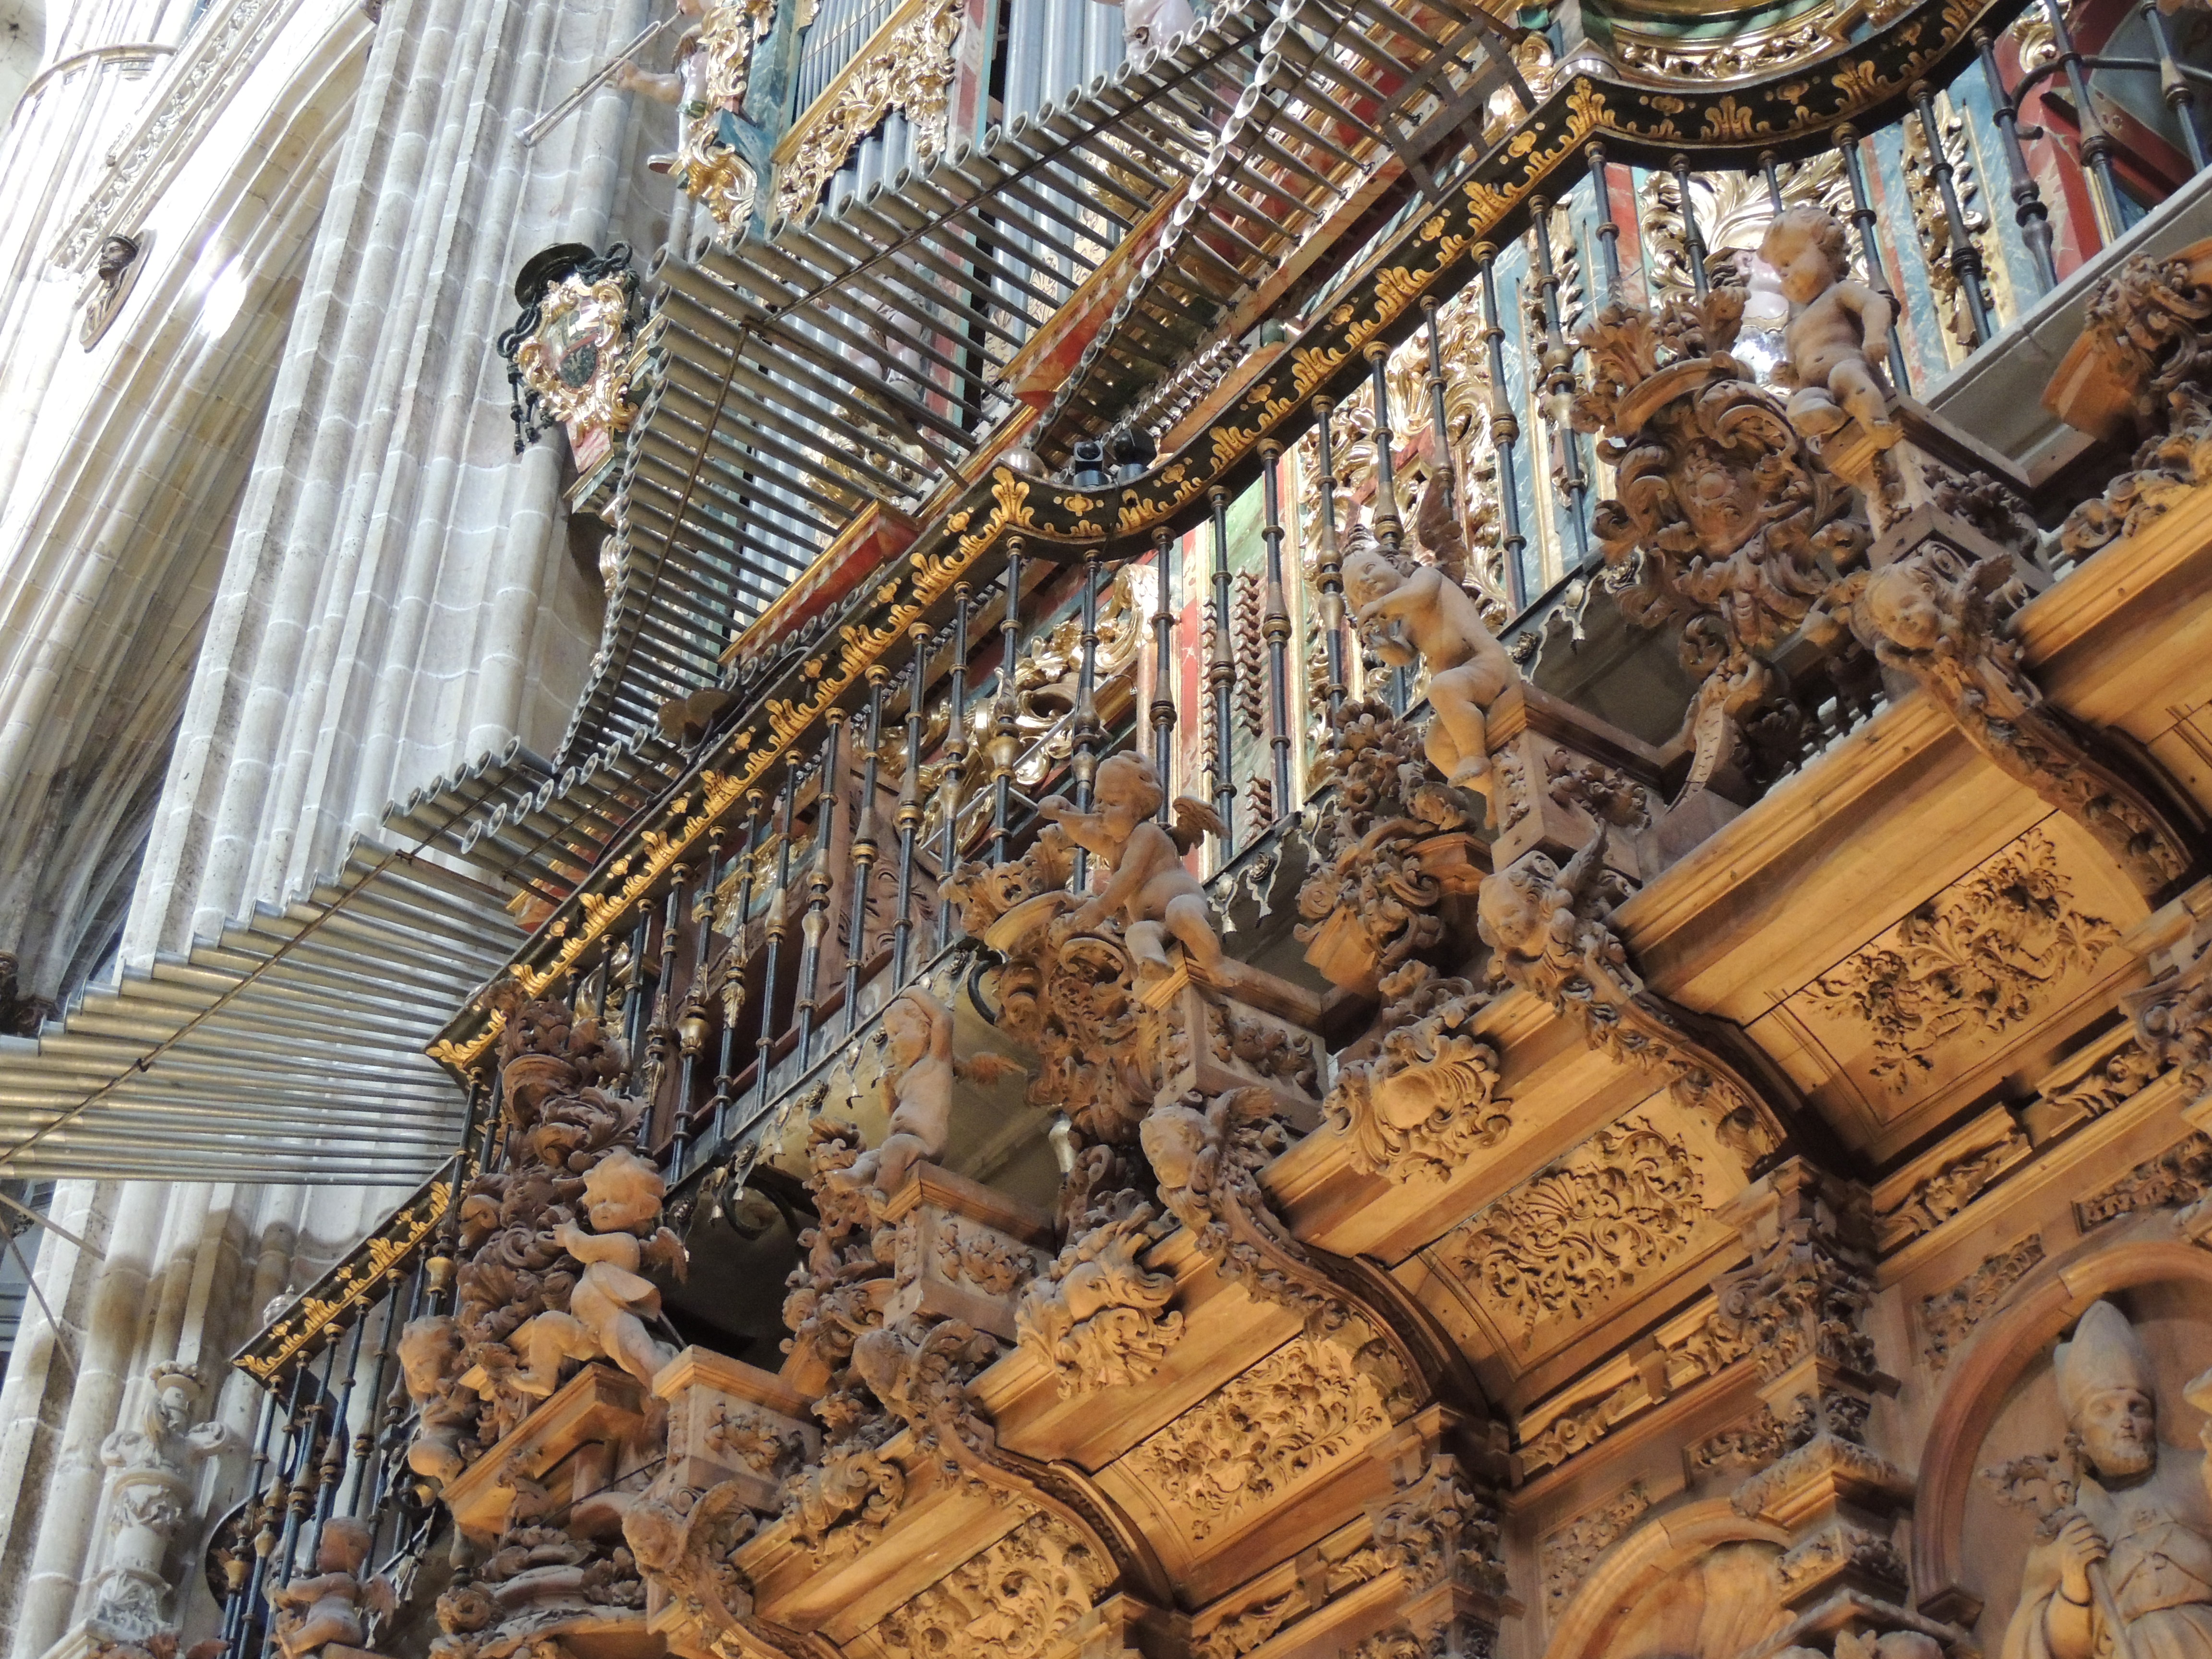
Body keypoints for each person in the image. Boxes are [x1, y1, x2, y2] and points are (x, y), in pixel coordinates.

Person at [1760, 204, 1900, 449]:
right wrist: (1790, 376)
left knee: (1846, 377)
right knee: (1798, 406)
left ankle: (1876, 422)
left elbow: (1874, 303)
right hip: (1817, 390)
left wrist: (1875, 334)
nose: (1785, 274)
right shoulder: (1793, 328)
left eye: (1789, 261)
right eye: (1779, 272)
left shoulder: (1840, 293)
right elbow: (1799, 369)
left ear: (1826, 249)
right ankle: (1828, 419)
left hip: (1850, 367)